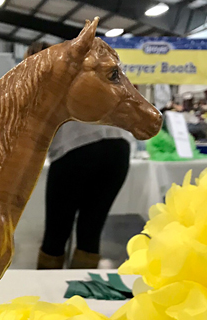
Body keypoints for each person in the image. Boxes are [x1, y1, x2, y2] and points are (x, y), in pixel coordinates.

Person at [26, 42, 134, 270]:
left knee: (56, 234)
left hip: (76, 150)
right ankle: (82, 287)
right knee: (90, 230)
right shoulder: (87, 71)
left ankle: (47, 288)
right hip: (119, 148)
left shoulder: (42, 77)